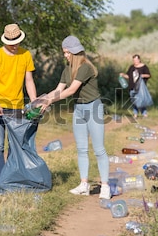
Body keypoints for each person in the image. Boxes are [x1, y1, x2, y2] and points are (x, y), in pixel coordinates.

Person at [38, 36, 110, 199]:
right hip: (79, 109)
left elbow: (71, 90)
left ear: (75, 52)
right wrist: (42, 100)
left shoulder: (85, 67)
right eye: (64, 52)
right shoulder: (67, 69)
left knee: (99, 149)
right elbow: (58, 89)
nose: (65, 55)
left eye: (67, 52)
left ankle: (105, 186)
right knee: (81, 149)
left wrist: (50, 100)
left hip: (93, 108)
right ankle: (84, 184)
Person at [0, 23, 37, 182]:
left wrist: (34, 102)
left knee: (14, 145)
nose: (14, 45)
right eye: (11, 42)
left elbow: (29, 81)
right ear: (5, 41)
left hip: (17, 107)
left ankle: (11, 178)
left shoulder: (25, 55)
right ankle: (1, 180)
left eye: (16, 41)